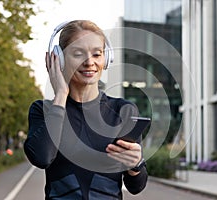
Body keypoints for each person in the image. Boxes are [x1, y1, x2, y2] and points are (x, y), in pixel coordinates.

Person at [24, 20, 148, 200]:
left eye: (97, 54)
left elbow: (136, 186)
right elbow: (42, 158)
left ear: (106, 59)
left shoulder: (123, 111)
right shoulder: (43, 109)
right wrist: (60, 94)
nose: (89, 62)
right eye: (78, 53)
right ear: (59, 58)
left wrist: (136, 164)